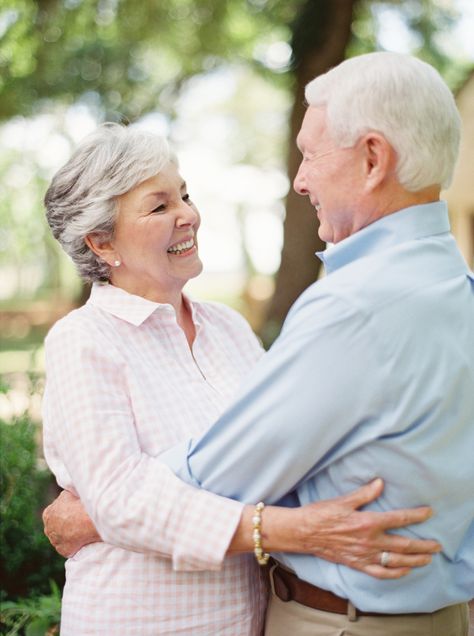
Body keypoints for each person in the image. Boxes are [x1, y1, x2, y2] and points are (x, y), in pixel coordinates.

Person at [46, 51, 474, 635]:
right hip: (142, 618)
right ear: (101, 243)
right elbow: (250, 470)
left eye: (184, 195)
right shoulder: (83, 342)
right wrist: (282, 529)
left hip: (243, 620)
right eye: (159, 205)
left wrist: (101, 511)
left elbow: (275, 459)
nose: (188, 216)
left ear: (373, 159)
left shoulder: (234, 328)